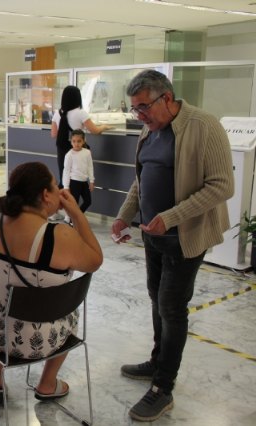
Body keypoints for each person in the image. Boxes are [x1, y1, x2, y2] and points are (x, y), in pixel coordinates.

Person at [111, 69, 234, 422]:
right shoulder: (150, 129)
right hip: (153, 234)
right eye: (134, 109)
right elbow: (141, 180)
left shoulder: (204, 126)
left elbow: (222, 185)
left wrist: (172, 216)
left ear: (166, 97)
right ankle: (157, 360)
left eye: (143, 107)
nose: (139, 116)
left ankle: (163, 387)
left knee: (171, 307)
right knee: (156, 298)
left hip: (185, 236)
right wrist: (124, 215)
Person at [0, 162, 102, 403]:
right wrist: (76, 213)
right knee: (71, 312)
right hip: (35, 344)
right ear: (45, 194)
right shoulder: (58, 236)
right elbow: (95, 260)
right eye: (55, 186)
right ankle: (47, 383)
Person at [50, 85, 112, 190]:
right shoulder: (81, 113)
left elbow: (53, 134)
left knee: (64, 177)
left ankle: (64, 198)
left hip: (61, 149)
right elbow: (95, 130)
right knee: (77, 179)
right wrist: (104, 126)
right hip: (77, 149)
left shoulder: (57, 113)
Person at [62, 129, 94, 219]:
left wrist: (91, 181)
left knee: (88, 201)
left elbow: (90, 166)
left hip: (84, 182)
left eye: (79, 141)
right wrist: (66, 187)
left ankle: (75, 218)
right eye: (74, 141)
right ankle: (73, 220)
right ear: (71, 141)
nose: (76, 144)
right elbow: (66, 171)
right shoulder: (69, 155)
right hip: (74, 182)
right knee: (74, 204)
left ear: (83, 141)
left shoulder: (87, 152)